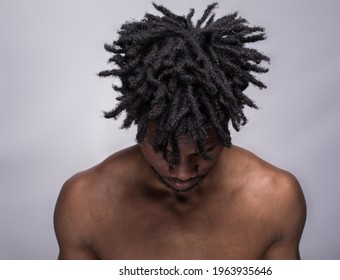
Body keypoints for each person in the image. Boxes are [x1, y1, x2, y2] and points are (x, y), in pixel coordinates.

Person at [54, 2, 306, 260]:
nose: (183, 173)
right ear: (138, 124)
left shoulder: (275, 199)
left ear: (225, 129)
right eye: (165, 152)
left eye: (204, 152)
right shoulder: (85, 204)